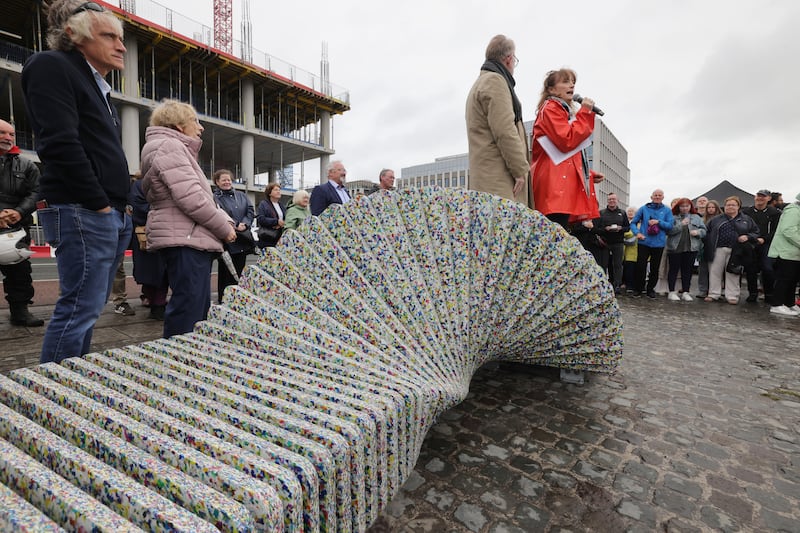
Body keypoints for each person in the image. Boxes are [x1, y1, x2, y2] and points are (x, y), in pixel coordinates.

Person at [23, 0, 132, 363]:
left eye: (121, 37)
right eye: (109, 36)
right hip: (86, 209)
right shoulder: (51, 65)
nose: (120, 45)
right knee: (78, 310)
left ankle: (70, 379)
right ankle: (50, 394)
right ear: (74, 34)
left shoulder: (97, 84)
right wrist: (99, 204)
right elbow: (60, 143)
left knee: (88, 309)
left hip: (106, 212)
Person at [140, 100, 236, 337]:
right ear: (179, 125)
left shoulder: (166, 146)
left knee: (193, 306)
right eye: (195, 120)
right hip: (187, 238)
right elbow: (192, 198)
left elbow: (195, 196)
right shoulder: (170, 146)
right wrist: (224, 227)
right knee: (190, 309)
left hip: (186, 236)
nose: (200, 127)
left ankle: (186, 360)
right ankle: (177, 363)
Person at [530, 68, 604, 229]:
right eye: (565, 82)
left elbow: (564, 155)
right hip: (554, 188)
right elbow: (566, 141)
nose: (571, 85)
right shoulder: (551, 108)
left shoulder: (561, 111)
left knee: (556, 237)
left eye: (573, 82)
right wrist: (585, 113)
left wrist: (588, 175)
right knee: (553, 236)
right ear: (551, 89)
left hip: (559, 187)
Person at [465, 34, 529, 205]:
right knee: (504, 228)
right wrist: (519, 170)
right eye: (514, 60)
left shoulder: (481, 82)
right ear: (508, 59)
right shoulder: (495, 81)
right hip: (499, 178)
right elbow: (505, 130)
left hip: (487, 177)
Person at [0, 118, 44, 327]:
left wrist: (18, 212)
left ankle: (20, 312)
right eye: (2, 133)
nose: (7, 138)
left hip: (16, 229)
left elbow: (37, 192)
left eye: (11, 134)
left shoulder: (26, 164)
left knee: (20, 274)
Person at [703, 196, 759, 305]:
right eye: (728, 205)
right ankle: (713, 294)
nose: (730, 207)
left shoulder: (746, 219)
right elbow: (706, 231)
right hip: (718, 249)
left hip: (736, 250)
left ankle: (732, 295)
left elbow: (756, 232)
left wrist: (747, 237)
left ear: (738, 206)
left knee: (733, 272)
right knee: (715, 271)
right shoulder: (716, 219)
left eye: (733, 205)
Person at [129, 174, 168, 320]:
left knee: (164, 272)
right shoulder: (139, 185)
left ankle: (158, 303)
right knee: (152, 272)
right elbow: (138, 207)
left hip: (165, 233)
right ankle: (155, 303)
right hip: (148, 234)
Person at [213, 169, 254, 303]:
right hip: (226, 240)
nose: (227, 182)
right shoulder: (215, 197)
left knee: (240, 270)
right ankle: (224, 300)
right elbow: (219, 213)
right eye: (223, 180)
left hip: (242, 239)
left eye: (229, 179)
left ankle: (237, 300)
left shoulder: (241, 195)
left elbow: (250, 210)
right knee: (225, 273)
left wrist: (245, 224)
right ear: (217, 182)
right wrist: (235, 224)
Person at [630, 189, 674, 298]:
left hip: (658, 243)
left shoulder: (667, 210)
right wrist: (637, 233)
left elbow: (670, 225)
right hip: (644, 241)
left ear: (663, 197)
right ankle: (639, 288)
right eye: (655, 195)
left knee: (655, 268)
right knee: (641, 266)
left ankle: (650, 289)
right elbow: (633, 223)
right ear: (651, 197)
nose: (657, 197)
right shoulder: (644, 209)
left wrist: (659, 222)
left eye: (660, 195)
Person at [742, 189, 781, 303]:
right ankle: (753, 293)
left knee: (767, 268)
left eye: (763, 196)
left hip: (767, 244)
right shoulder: (746, 212)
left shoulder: (775, 213)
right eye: (758, 196)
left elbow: (776, 230)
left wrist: (764, 239)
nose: (760, 198)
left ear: (768, 198)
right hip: (750, 243)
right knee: (751, 269)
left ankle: (768, 293)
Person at [665, 198, 706, 301]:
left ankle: (686, 292)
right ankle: (671, 291)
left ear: (690, 207)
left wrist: (698, 232)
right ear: (678, 207)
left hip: (691, 248)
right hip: (675, 247)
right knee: (673, 270)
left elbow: (704, 230)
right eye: (682, 206)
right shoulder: (673, 217)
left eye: (687, 206)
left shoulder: (696, 217)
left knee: (687, 270)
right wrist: (681, 224)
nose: (684, 208)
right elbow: (669, 231)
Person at [767, 192, 800, 317]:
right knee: (784, 279)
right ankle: (777, 304)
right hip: (786, 251)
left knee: (792, 279)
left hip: (793, 252)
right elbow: (789, 230)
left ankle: (789, 303)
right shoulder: (793, 211)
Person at [597, 192, 630, 293]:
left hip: (618, 242)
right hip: (605, 242)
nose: (612, 201)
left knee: (618, 265)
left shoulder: (623, 213)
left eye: (613, 199)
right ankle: (602, 284)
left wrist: (621, 228)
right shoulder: (601, 213)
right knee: (603, 264)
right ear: (607, 201)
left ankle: (617, 285)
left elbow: (627, 228)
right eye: (610, 199)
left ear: (617, 200)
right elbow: (597, 229)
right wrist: (605, 229)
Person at [697, 200, 721, 297]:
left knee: (715, 270)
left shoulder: (721, 219)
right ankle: (703, 289)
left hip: (717, 247)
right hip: (704, 247)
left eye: (713, 207)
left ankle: (714, 290)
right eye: (709, 208)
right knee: (703, 269)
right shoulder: (702, 220)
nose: (711, 209)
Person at [256, 182, 286, 248]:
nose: (278, 192)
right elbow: (261, 219)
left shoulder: (281, 206)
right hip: (267, 237)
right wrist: (276, 222)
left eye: (279, 190)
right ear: (269, 193)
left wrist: (281, 224)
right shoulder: (263, 204)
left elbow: (285, 218)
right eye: (275, 190)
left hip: (279, 237)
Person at [622, 206, 638, 294]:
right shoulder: (624, 222)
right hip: (624, 249)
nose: (630, 213)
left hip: (633, 248)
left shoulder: (637, 223)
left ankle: (631, 285)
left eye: (632, 211)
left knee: (631, 268)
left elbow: (631, 233)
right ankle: (625, 283)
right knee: (625, 267)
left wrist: (624, 233)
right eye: (629, 211)